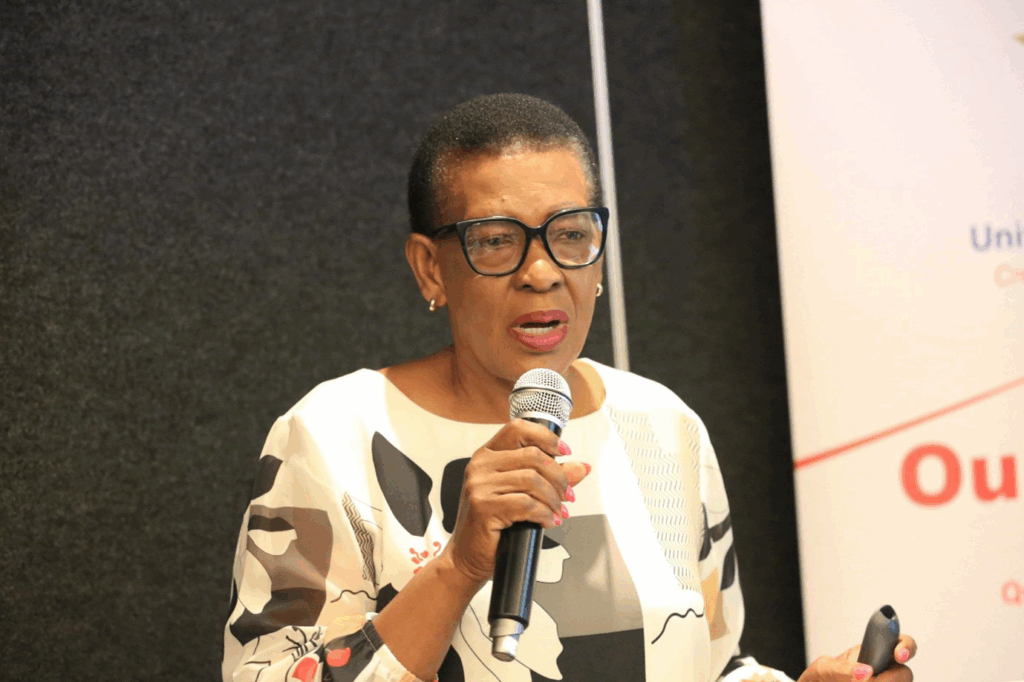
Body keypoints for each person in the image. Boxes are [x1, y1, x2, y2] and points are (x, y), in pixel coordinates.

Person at [222, 93, 917, 682]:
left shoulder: (661, 425)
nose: (542, 272)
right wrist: (459, 566)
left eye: (571, 234)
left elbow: (710, 664)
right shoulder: (334, 435)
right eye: (497, 240)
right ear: (431, 268)